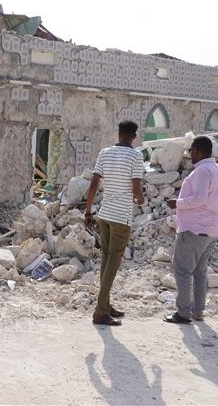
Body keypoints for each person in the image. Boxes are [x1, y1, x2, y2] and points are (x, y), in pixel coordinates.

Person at [85, 120, 145, 326]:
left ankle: (106, 304)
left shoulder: (104, 153)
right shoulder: (136, 156)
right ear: (134, 136)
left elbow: (93, 184)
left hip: (105, 214)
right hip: (121, 217)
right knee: (113, 263)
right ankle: (100, 311)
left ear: (119, 133)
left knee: (105, 260)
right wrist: (140, 199)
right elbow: (136, 190)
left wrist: (88, 211)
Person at [164, 136, 218, 324]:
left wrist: (177, 203)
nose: (190, 154)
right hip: (211, 229)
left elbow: (199, 198)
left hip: (194, 229)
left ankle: (183, 313)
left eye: (191, 150)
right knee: (200, 272)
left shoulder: (202, 171)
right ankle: (198, 311)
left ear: (198, 151)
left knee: (182, 270)